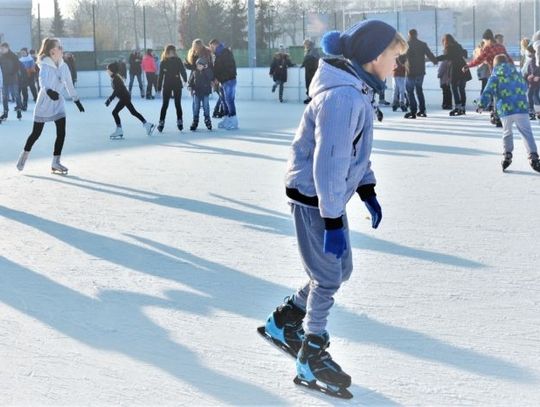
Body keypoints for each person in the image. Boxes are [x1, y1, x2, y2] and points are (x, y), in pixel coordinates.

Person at [260, 20, 408, 395]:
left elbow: (354, 155)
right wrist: (331, 222)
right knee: (327, 276)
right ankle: (311, 354)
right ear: (375, 57)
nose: (397, 65)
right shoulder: (342, 98)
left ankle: (286, 318)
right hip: (314, 198)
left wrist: (367, 188)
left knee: (340, 270)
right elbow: (328, 165)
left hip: (326, 197)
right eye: (394, 57)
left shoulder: (356, 90)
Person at [16, 38, 85, 174]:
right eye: (59, 47)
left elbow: (69, 84)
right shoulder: (45, 65)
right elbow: (43, 81)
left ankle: (56, 162)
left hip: (57, 102)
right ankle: (24, 155)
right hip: (44, 102)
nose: (62, 49)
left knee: (61, 132)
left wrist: (76, 100)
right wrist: (48, 91)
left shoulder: (64, 66)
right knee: (36, 133)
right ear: (52, 51)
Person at [477, 54, 540, 173]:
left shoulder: (495, 76)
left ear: (495, 64)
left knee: (507, 132)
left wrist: (481, 105)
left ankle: (507, 155)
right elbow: (525, 87)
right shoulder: (517, 74)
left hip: (506, 109)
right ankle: (534, 157)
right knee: (527, 133)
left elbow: (488, 91)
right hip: (521, 108)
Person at [104, 62, 155, 140]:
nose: (106, 70)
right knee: (133, 112)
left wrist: (110, 99)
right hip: (125, 97)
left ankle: (119, 130)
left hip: (124, 98)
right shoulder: (115, 78)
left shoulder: (116, 79)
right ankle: (147, 124)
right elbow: (117, 90)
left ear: (111, 70)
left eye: (107, 69)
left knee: (114, 112)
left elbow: (116, 91)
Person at [402, 29, 437, 119]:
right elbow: (430, 54)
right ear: (417, 35)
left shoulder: (406, 45)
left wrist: (403, 63)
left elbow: (401, 58)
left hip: (410, 72)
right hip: (420, 72)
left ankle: (413, 111)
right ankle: (422, 110)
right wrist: (435, 60)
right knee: (419, 90)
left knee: (410, 91)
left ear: (409, 35)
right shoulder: (423, 44)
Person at [435, 34, 471, 116]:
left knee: (454, 87)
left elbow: (447, 56)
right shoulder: (458, 46)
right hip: (463, 67)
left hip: (455, 69)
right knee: (462, 88)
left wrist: (435, 59)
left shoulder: (449, 48)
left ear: (446, 41)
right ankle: (462, 107)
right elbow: (464, 54)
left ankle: (458, 107)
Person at [157, 44, 187, 132]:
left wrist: (185, 79)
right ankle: (161, 122)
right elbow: (161, 75)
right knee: (165, 104)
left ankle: (180, 120)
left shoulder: (178, 60)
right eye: (169, 52)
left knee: (177, 104)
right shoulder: (163, 62)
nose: (171, 54)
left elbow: (182, 70)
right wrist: (159, 87)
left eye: (173, 52)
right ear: (166, 52)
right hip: (167, 85)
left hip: (177, 84)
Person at [209, 38, 238, 130]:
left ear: (215, 45)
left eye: (211, 47)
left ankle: (233, 120)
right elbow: (217, 69)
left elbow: (228, 68)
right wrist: (215, 79)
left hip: (229, 80)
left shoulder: (225, 53)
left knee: (229, 100)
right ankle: (227, 118)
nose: (211, 49)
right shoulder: (217, 55)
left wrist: (219, 79)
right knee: (223, 101)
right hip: (222, 81)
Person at [188, 57, 214, 131]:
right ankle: (195, 121)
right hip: (196, 92)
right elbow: (191, 80)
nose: (198, 67)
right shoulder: (194, 72)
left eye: (200, 65)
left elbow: (211, 77)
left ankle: (207, 120)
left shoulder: (207, 71)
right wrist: (190, 86)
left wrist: (206, 69)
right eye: (197, 65)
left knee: (206, 106)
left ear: (204, 65)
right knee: (196, 107)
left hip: (205, 92)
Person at [0, 42, 24, 121]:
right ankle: (5, 113)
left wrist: (12, 73)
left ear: (7, 48)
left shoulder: (13, 56)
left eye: (3, 48)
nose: (2, 50)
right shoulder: (1, 56)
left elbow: (17, 67)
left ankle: (19, 110)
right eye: (1, 49)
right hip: (4, 80)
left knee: (16, 95)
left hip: (13, 79)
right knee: (5, 97)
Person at [300, 39, 320, 104]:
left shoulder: (313, 50)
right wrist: (303, 64)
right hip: (308, 69)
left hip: (312, 69)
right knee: (308, 83)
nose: (305, 46)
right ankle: (309, 96)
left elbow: (315, 58)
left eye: (305, 44)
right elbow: (306, 59)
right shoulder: (307, 50)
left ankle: (312, 97)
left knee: (312, 83)